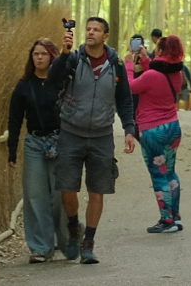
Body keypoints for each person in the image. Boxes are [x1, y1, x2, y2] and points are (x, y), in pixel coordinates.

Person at [48, 15, 138, 264]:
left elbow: (124, 100)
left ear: (105, 36)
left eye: (96, 30)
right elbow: (53, 80)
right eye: (88, 29)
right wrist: (64, 53)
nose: (90, 33)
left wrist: (129, 129)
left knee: (97, 190)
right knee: (67, 188)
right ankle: (73, 228)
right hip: (71, 132)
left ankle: (89, 243)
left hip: (101, 135)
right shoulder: (73, 59)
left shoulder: (115, 64)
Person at [8, 39, 68, 262]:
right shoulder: (24, 86)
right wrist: (12, 150)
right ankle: (41, 248)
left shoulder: (61, 83)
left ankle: (66, 239)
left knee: (60, 195)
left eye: (44, 54)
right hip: (34, 142)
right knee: (35, 195)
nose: (39, 57)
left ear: (52, 57)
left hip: (60, 142)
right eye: (36, 54)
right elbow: (15, 119)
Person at [128, 33, 189, 234]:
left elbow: (130, 87)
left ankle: (166, 220)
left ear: (160, 50)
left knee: (158, 174)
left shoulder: (151, 76)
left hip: (152, 130)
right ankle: (175, 217)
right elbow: (157, 76)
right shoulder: (177, 74)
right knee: (170, 172)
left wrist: (129, 64)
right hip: (173, 127)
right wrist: (146, 60)